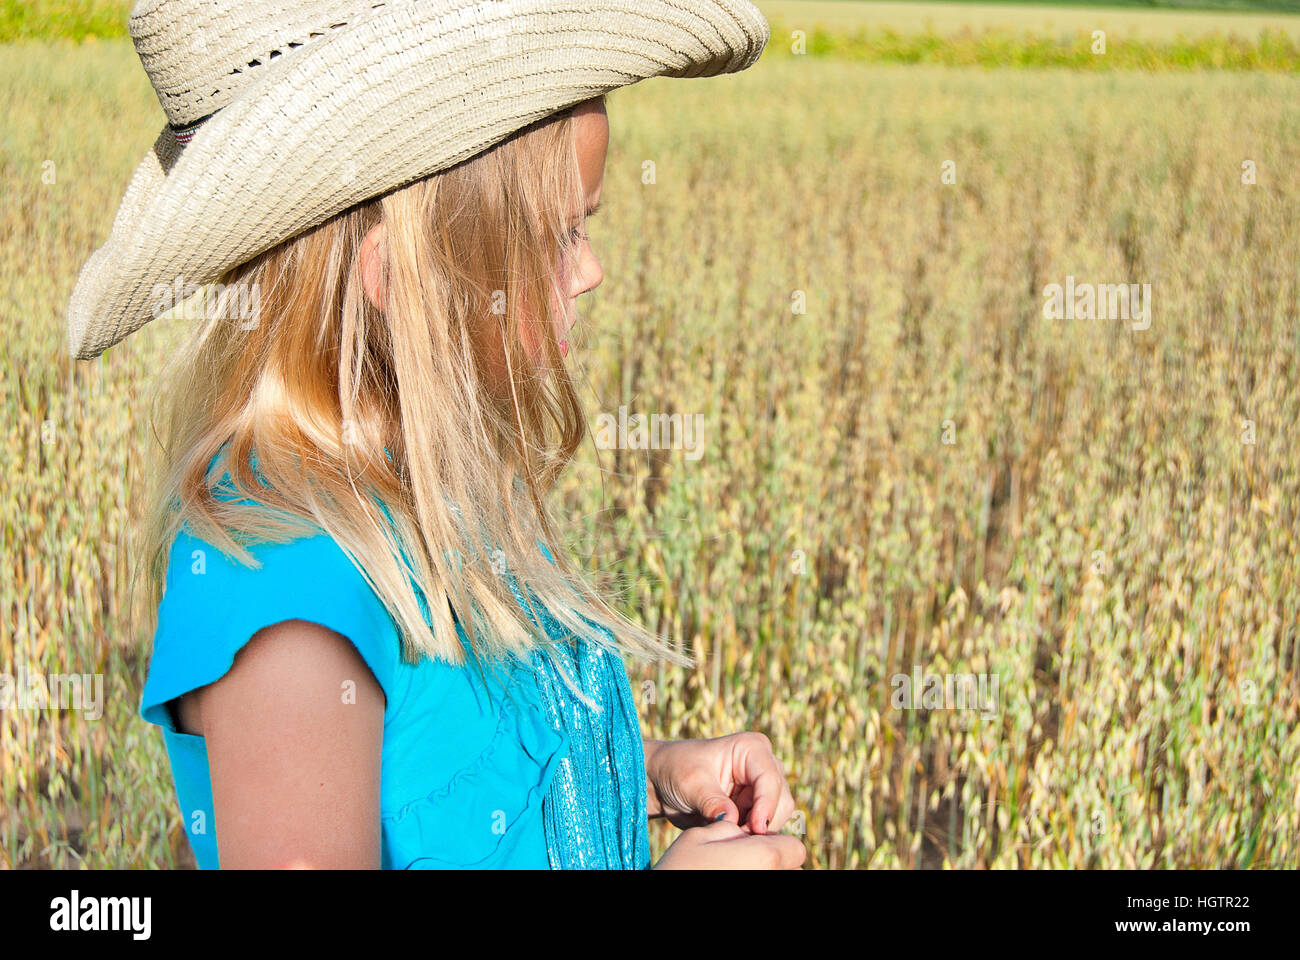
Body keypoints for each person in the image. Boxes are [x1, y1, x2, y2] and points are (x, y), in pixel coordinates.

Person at [67, 0, 804, 870]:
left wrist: (639, 777)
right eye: (561, 233)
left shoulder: (423, 481)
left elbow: (451, 784)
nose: (593, 270)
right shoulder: (291, 610)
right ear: (397, 275)